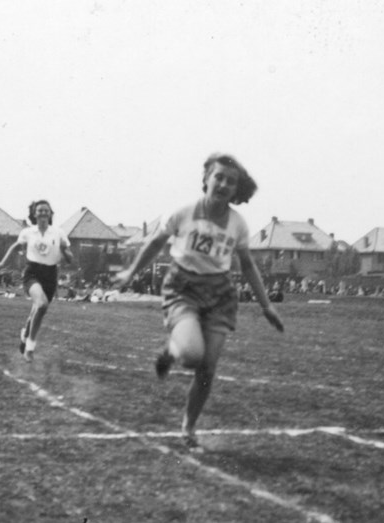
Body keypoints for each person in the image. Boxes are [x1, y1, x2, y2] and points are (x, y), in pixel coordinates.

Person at [113, 153, 284, 451]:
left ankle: (189, 427)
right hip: (183, 287)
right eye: (218, 177)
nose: (223, 184)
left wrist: (266, 305)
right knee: (192, 355)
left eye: (231, 181)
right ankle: (172, 349)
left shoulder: (238, 225)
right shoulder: (183, 212)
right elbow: (155, 244)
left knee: (207, 368)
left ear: (236, 190)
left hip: (219, 294)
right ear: (206, 178)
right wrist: (130, 272)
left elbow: (247, 265)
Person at [0, 200, 74, 362]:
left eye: (46, 211)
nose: (43, 213)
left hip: (50, 275)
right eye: (40, 211)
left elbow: (70, 259)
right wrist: (2, 263)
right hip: (33, 273)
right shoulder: (28, 233)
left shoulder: (58, 233)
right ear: (34, 214)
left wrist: (65, 252)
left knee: (38, 310)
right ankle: (29, 349)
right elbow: (16, 247)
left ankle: (25, 335)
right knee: (41, 304)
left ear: (50, 214)